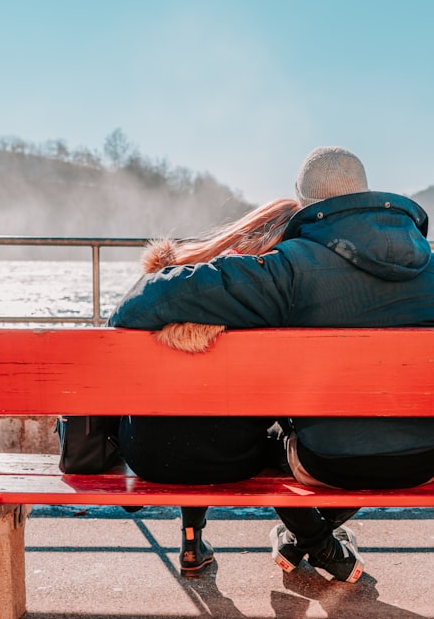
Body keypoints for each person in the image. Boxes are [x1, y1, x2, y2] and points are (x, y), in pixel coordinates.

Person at [109, 146, 434, 583]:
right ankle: (308, 541)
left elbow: (155, 297)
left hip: (329, 462)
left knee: (288, 441)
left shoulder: (294, 268)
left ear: (306, 203)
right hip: (427, 458)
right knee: (364, 440)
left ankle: (309, 540)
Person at [116, 198, 300, 575]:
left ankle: (191, 539)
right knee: (266, 434)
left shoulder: (168, 282)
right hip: (233, 459)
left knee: (188, 406)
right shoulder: (265, 298)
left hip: (146, 455)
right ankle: (315, 541)